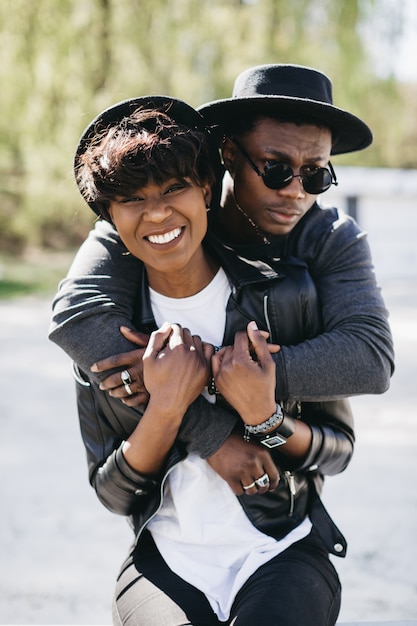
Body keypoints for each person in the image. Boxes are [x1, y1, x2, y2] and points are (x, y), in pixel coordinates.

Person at [64, 95, 354, 625]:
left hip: (283, 547)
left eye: (174, 187)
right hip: (166, 563)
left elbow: (337, 451)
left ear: (206, 188)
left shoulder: (284, 298)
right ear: (109, 214)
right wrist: (171, 408)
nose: (156, 212)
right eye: (131, 198)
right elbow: (113, 493)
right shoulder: (106, 330)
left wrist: (263, 417)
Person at [50, 64, 394, 406]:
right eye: (276, 169)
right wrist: (203, 421)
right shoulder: (171, 218)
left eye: (315, 174)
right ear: (229, 155)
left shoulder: (333, 237)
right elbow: (76, 317)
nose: (295, 191)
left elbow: (371, 357)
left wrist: (202, 373)